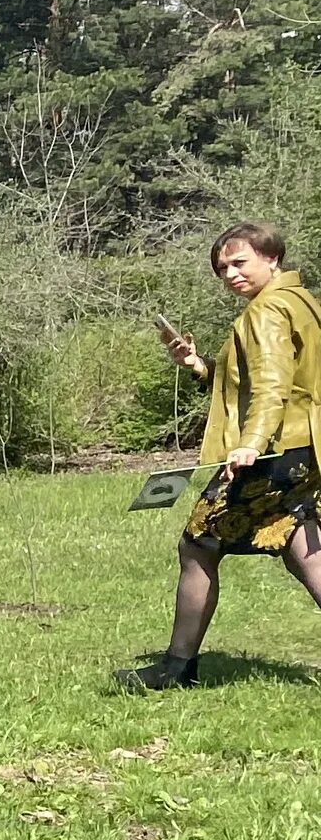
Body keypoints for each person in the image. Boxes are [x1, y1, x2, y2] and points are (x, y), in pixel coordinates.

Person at [122, 224, 321, 692]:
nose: (229, 274)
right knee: (302, 545)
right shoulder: (302, 302)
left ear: (271, 258)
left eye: (239, 262)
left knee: (197, 546)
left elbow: (272, 387)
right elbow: (267, 383)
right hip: (305, 449)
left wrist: (250, 442)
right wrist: (198, 366)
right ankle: (177, 666)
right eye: (221, 268)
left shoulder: (266, 311)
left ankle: (176, 669)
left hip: (272, 452)